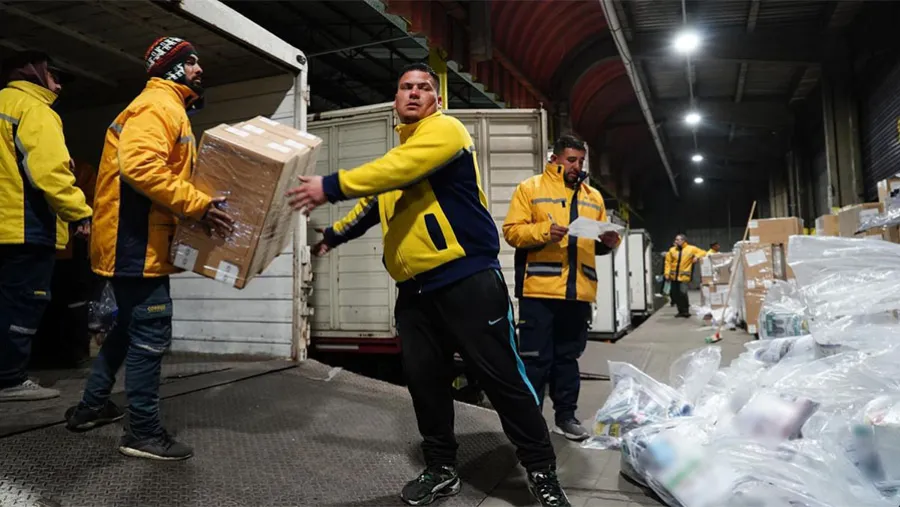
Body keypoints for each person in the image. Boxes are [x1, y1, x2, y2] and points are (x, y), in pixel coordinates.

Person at [288, 62, 571, 507]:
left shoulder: (445, 132)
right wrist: (334, 236)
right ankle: (441, 468)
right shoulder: (401, 157)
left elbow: (397, 170)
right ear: (396, 100)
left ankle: (541, 471)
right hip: (415, 291)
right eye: (406, 87)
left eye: (423, 87)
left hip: (467, 279)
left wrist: (331, 185)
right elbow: (374, 204)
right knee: (425, 383)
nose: (414, 93)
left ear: (437, 100)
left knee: (502, 378)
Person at [64, 37, 233, 461]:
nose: (198, 69)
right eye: (190, 62)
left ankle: (91, 406)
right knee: (151, 331)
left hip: (135, 239)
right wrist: (197, 205)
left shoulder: (166, 106)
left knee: (127, 328)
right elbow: (139, 168)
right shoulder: (158, 106)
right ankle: (141, 432)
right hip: (135, 241)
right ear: (171, 67)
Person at [502, 135, 619, 442]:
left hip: (578, 292)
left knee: (568, 360)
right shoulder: (530, 188)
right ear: (554, 159)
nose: (577, 166)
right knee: (535, 360)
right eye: (571, 160)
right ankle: (530, 423)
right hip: (539, 291)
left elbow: (597, 244)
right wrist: (545, 231)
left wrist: (608, 242)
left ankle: (565, 418)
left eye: (581, 161)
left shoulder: (594, 197)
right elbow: (512, 232)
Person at [0, 50, 92, 402]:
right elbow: (49, 171)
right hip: (23, 225)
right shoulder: (34, 109)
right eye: (55, 76)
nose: (59, 85)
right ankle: (9, 379)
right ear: (34, 73)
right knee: (23, 302)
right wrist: (78, 212)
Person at [32, 159, 97, 369]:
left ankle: (70, 353)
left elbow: (92, 202)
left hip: (67, 247)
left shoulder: (82, 171)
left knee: (69, 302)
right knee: (53, 303)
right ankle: (54, 354)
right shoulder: (74, 169)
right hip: (54, 245)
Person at [664, 234, 706, 318]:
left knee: (683, 293)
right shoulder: (672, 250)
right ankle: (680, 311)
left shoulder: (691, 249)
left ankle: (685, 311)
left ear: (683, 240)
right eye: (675, 240)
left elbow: (703, 252)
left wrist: (697, 257)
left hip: (684, 277)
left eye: (677, 240)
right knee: (675, 295)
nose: (675, 241)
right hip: (673, 277)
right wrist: (667, 273)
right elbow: (668, 263)